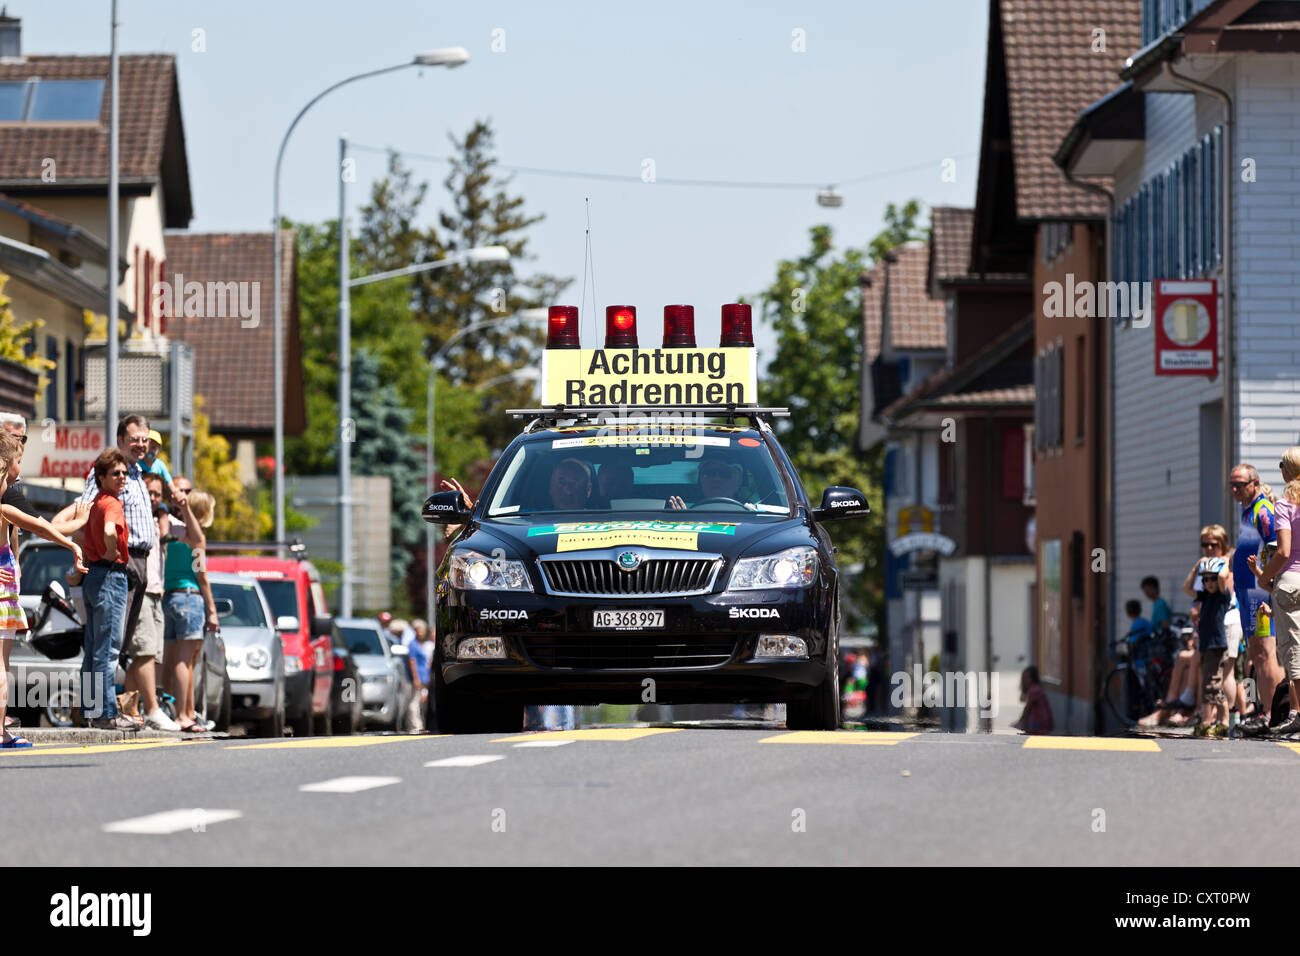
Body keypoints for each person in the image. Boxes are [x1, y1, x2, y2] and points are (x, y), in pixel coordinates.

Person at [78, 416, 173, 693]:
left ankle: (103, 706)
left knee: (115, 643)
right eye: (134, 440)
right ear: (120, 440)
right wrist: (102, 552)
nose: (141, 445)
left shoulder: (136, 473)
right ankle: (98, 709)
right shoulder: (110, 472)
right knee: (106, 643)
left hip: (140, 561)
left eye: (144, 440)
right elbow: (87, 511)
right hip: (121, 561)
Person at [79, 447, 136, 731]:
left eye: (124, 472)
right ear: (101, 477)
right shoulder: (112, 503)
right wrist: (112, 551)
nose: (122, 477)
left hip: (93, 576)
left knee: (93, 648)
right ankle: (107, 714)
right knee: (108, 650)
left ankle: (90, 711)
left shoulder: (96, 502)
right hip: (110, 576)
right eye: (116, 473)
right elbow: (111, 531)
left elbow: (82, 533)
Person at [1247, 446, 1300, 735]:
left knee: (1291, 649)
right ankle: (1288, 711)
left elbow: (1283, 551)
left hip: (1290, 581)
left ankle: (1292, 713)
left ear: (1286, 470)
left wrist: (1264, 577)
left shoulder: (1284, 505)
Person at [1229, 463, 1282, 734]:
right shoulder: (1247, 510)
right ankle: (1267, 712)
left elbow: (1278, 550)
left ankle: (1277, 714)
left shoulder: (1263, 511)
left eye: (1240, 484)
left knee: (1265, 654)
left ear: (1255, 483)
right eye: (1232, 485)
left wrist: (1267, 582)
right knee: (1256, 654)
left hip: (1259, 593)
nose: (1235, 489)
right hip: (1248, 592)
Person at [123, 472, 178, 731]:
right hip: (141, 591)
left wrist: (167, 510)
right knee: (143, 651)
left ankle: (130, 709)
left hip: (157, 592)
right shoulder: (137, 520)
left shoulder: (160, 522)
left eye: (158, 494)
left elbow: (194, 533)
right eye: (149, 492)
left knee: (148, 655)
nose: (154, 498)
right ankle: (153, 708)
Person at [161, 482, 218, 733]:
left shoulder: (172, 539)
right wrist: (212, 609)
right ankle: (184, 715)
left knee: (170, 659)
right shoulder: (196, 542)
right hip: (190, 598)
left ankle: (171, 711)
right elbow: (201, 576)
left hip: (168, 597)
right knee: (185, 661)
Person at [1192, 556, 1233, 737]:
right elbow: (1187, 588)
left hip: (1216, 646)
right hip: (1207, 645)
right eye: (1205, 579)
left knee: (1213, 685)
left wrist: (1224, 564)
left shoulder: (1222, 597)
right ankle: (1212, 722)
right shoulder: (1205, 597)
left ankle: (1222, 722)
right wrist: (1196, 569)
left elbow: (1224, 577)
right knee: (1210, 685)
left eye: (1212, 578)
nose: (1209, 582)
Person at [668, 456, 745, 510]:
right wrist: (682, 521)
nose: (716, 479)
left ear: (739, 481)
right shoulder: (684, 516)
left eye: (725, 474)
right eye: (709, 473)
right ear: (700, 480)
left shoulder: (754, 512)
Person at [1011, 666, 1053, 734]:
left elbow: (1027, 709)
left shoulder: (1034, 690)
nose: (1024, 681)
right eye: (1023, 678)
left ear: (1033, 679)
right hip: (1042, 722)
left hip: (1040, 724)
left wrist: (1023, 724)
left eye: (1026, 678)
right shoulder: (1036, 688)